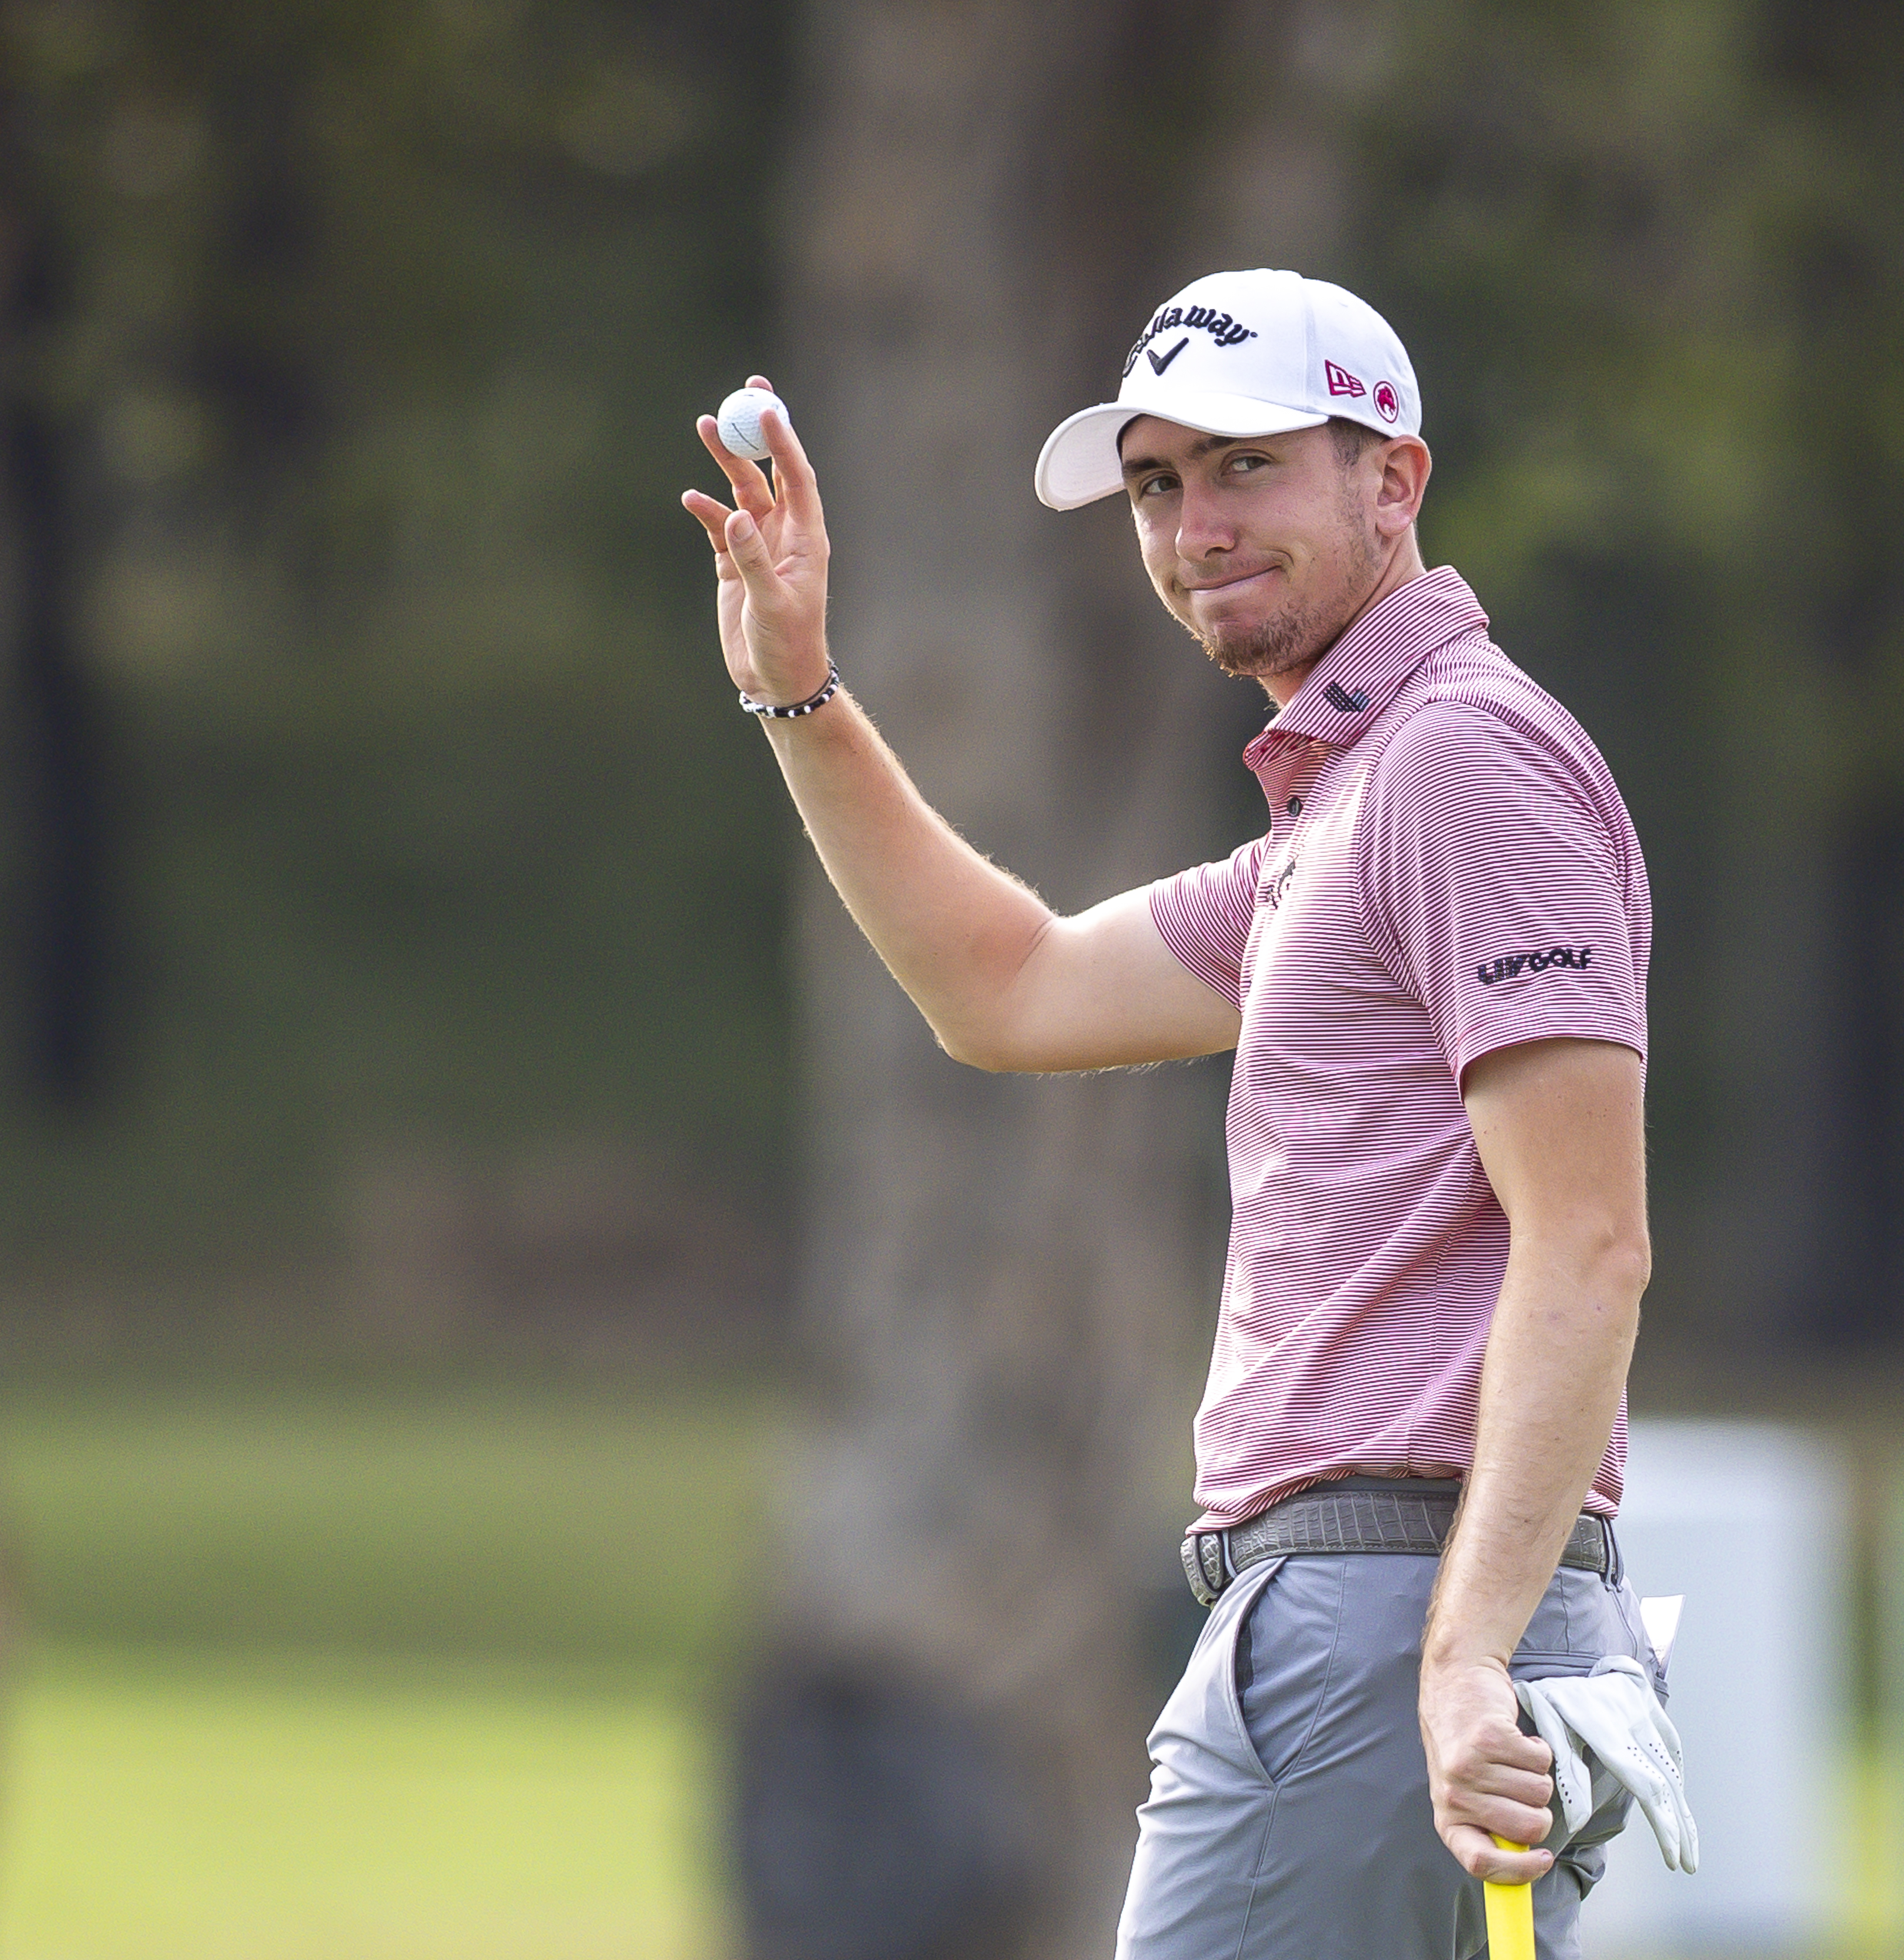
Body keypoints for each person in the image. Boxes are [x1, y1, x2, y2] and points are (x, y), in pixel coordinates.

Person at [682, 268, 1686, 1960]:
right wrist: (801, 692)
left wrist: (1459, 1654)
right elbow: (1007, 988)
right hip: (1349, 1619)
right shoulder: (1344, 806)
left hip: (1394, 1615)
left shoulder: (1459, 765)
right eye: (1156, 484)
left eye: (1244, 469)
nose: (1190, 525)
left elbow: (1589, 1243)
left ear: (1394, 479)